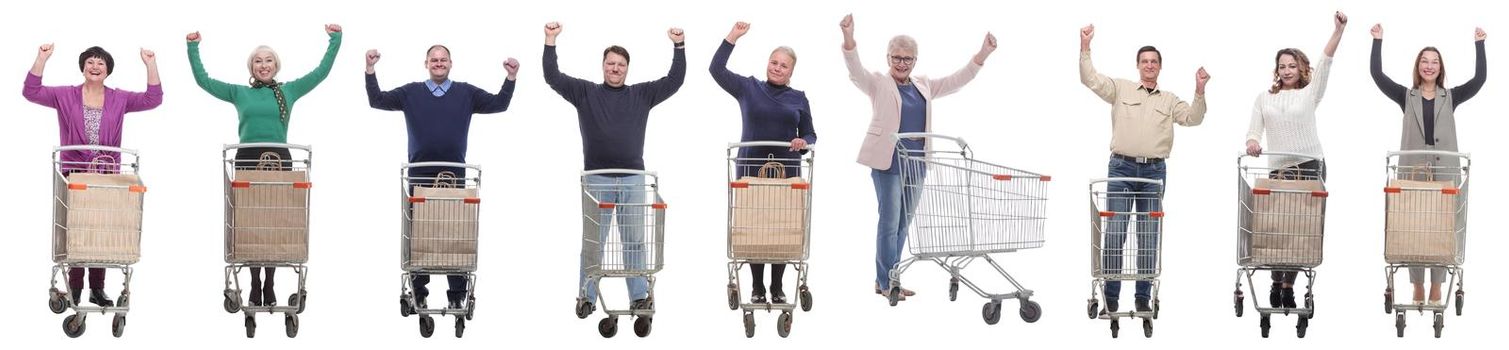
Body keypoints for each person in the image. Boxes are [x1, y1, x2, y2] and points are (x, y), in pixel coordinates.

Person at [837, 14, 996, 302]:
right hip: (888, 164)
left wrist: (982, 54)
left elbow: (956, 80)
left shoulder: (923, 85)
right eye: (896, 57)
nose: (901, 63)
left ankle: (887, 278)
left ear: (915, 61)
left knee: (903, 224)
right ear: (888, 57)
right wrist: (849, 36)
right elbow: (854, 68)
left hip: (917, 165)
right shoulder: (877, 83)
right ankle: (887, 281)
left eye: (907, 59)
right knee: (888, 223)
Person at [188, 24, 343, 307]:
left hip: (279, 160)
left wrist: (335, 39)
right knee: (250, 223)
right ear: (251, 67)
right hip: (247, 158)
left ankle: (270, 283)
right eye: (258, 61)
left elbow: (321, 72)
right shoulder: (239, 93)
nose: (263, 65)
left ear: (276, 66)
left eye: (268, 60)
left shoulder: (289, 91)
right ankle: (254, 283)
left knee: (273, 222)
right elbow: (203, 81)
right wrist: (193, 47)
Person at [542, 21, 685, 313]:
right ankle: (586, 296)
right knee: (593, 242)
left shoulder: (642, 95)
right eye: (611, 63)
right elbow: (552, 76)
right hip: (597, 179)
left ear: (627, 69)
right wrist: (550, 40)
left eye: (621, 64)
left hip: (633, 178)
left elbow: (674, 81)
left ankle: (638, 297)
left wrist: (679, 46)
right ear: (603, 66)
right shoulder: (585, 92)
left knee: (634, 240)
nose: (615, 69)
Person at [365, 44, 518, 310]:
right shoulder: (411, 92)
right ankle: (419, 290)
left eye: (443, 59)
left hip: (454, 175)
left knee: (454, 233)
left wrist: (511, 78)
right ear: (426, 63)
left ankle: (457, 292)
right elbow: (377, 100)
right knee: (419, 234)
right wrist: (370, 69)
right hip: (419, 175)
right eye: (433, 60)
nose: (438, 63)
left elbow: (499, 104)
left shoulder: (466, 93)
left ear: (451, 63)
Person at [1079, 23, 1210, 314]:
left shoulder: (1170, 99)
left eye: (1154, 61)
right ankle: (1111, 296)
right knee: (1114, 232)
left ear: (1160, 67)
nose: (1149, 65)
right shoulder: (1121, 88)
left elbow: (1193, 118)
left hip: (1153, 174)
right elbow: (1090, 79)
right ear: (1138, 66)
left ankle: (1142, 296)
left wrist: (1199, 91)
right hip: (1121, 170)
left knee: (1148, 236)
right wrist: (1086, 47)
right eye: (1144, 61)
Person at [23, 44, 162, 307]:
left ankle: (97, 289)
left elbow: (152, 99)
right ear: (83, 68)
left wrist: (150, 64)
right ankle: (75, 289)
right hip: (75, 174)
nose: (95, 66)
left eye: (100, 63)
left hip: (106, 173)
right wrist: (41, 58)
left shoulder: (119, 98)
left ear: (108, 70)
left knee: (101, 228)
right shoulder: (65, 95)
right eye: (90, 62)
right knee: (78, 229)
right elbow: (30, 92)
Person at [1369, 23, 1487, 307]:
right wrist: (1378, 41)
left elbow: (1480, 79)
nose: (1429, 66)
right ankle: (1418, 285)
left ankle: (1437, 286)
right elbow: (1377, 75)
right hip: (1413, 170)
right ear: (1418, 66)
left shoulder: (1452, 96)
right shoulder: (1405, 96)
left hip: (1445, 170)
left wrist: (1479, 44)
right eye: (1425, 61)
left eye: (1434, 62)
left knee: (1440, 227)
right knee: (1414, 225)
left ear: (1440, 67)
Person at [1245, 11, 1346, 309]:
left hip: (1310, 165)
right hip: (1278, 169)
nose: (1287, 70)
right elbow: (1254, 129)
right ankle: (1276, 281)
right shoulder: (1264, 97)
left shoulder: (1309, 94)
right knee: (1278, 228)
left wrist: (1338, 31)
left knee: (1300, 230)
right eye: (1282, 66)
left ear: (1302, 69)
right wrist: (1252, 141)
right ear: (1276, 70)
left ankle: (1288, 286)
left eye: (1292, 66)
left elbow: (1325, 63)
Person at [710, 21, 816, 305]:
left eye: (784, 65)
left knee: (781, 227)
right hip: (750, 170)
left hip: (786, 172)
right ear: (768, 63)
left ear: (791, 72)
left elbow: (810, 133)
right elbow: (716, 70)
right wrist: (732, 37)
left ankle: (778, 287)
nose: (777, 68)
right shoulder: (749, 87)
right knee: (755, 227)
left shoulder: (799, 98)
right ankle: (757, 287)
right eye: (774, 62)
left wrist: (802, 142)